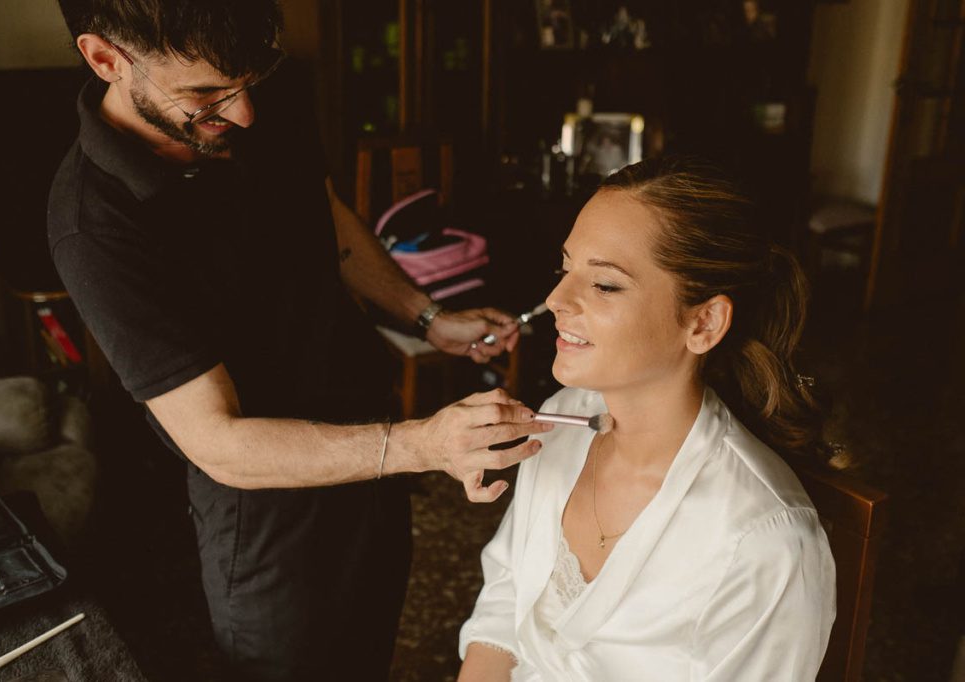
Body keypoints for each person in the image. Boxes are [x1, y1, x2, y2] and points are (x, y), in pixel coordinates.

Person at [47, 2, 551, 680]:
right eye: (206, 96)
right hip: (264, 509)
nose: (246, 113)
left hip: (373, 442)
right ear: (106, 59)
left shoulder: (253, 87)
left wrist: (425, 315)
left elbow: (325, 215)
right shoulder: (95, 223)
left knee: (370, 653)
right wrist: (422, 445)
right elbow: (219, 441)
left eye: (252, 82)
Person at [458, 156, 838, 681]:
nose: (555, 300)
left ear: (703, 322)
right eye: (565, 269)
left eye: (605, 285)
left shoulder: (765, 542)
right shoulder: (562, 420)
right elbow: (508, 597)